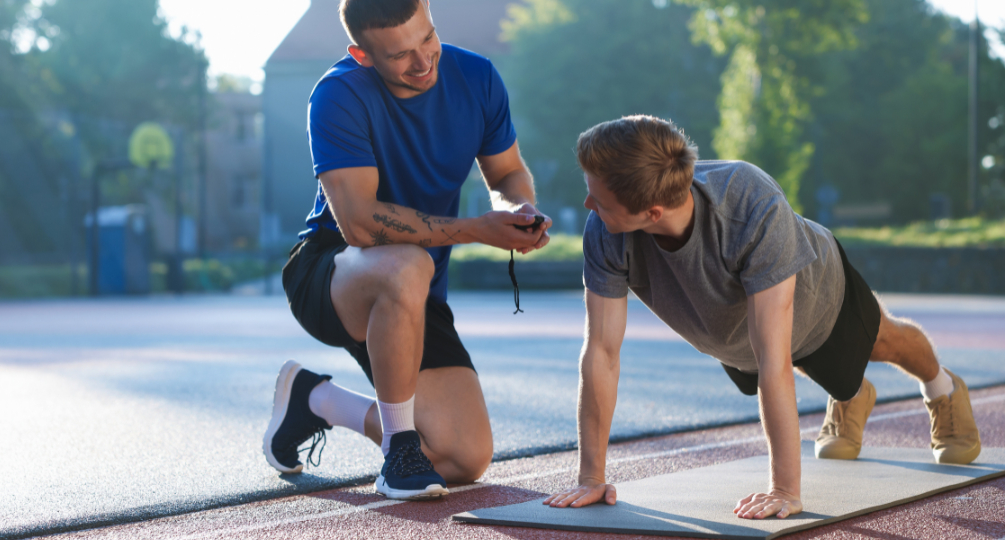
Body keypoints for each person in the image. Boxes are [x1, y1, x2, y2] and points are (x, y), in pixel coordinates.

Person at [543, 115, 981, 519]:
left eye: (597, 197)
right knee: (799, 361)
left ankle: (942, 389)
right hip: (730, 329)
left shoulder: (750, 203)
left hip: (819, 294)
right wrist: (591, 478)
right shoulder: (606, 227)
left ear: (652, 213)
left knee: (884, 342)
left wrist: (784, 489)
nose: (587, 204)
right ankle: (850, 393)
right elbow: (601, 350)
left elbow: (774, 358)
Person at [264, 0, 551, 501]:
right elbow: (357, 223)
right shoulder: (336, 95)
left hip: (415, 288)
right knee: (407, 263)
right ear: (362, 55)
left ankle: (315, 399)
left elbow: (506, 172)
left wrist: (518, 207)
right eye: (400, 55)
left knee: (464, 457)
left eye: (427, 39)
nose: (423, 62)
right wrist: (477, 230)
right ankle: (400, 450)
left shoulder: (477, 77)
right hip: (333, 272)